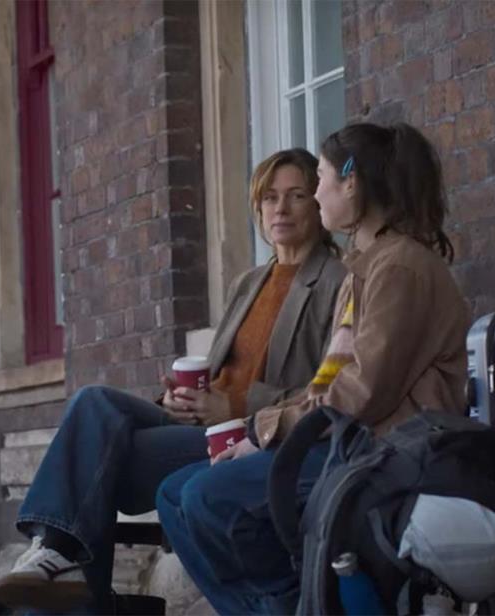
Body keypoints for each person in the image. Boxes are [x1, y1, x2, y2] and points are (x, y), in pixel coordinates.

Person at [0, 148, 346, 613]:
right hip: (200, 424)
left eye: (296, 195)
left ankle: (61, 564)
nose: (280, 208)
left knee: (97, 460)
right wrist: (178, 400)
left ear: (318, 204)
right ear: (257, 207)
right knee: (94, 404)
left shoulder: (337, 281)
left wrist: (237, 406)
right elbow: (222, 374)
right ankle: (61, 559)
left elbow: (328, 390)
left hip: (249, 437)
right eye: (269, 197)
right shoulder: (249, 283)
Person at [156, 122, 473, 614]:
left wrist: (267, 430)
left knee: (206, 497)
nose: (318, 192)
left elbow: (362, 394)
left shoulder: (399, 269)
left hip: (383, 455)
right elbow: (328, 382)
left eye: (320, 179)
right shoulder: (365, 268)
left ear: (352, 183)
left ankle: (297, 603)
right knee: (173, 494)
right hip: (344, 442)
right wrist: (260, 432)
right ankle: (284, 605)